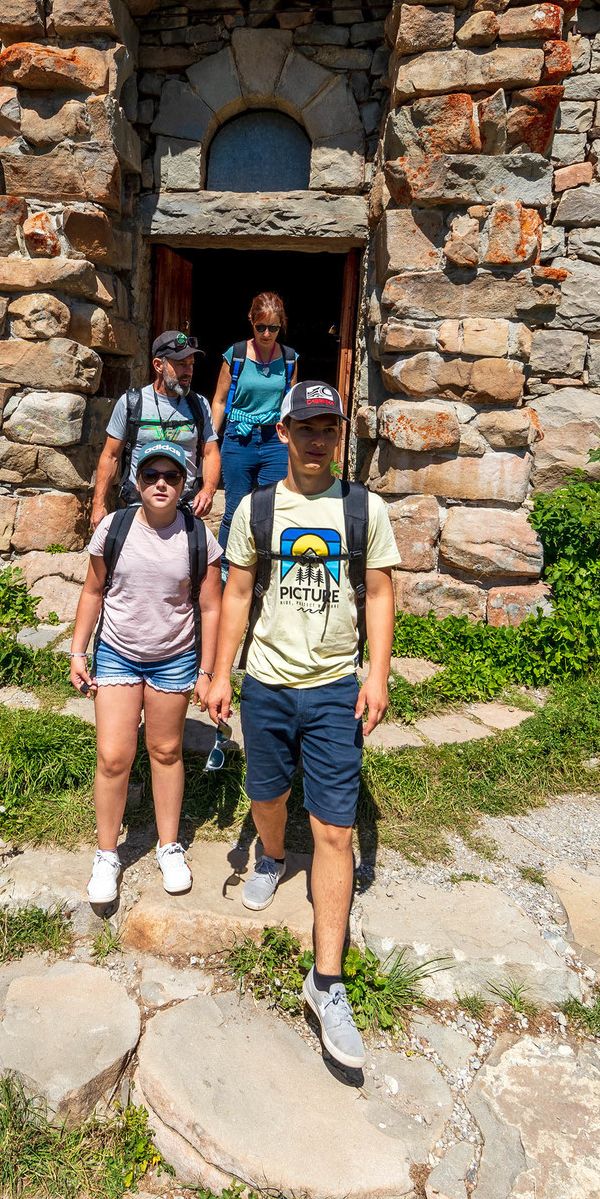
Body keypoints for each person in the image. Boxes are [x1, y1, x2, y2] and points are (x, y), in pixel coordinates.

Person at [205, 382, 399, 1072]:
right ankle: (271, 853)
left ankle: (327, 982)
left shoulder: (361, 508)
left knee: (336, 830)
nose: (317, 438)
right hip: (266, 681)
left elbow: (378, 591)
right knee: (266, 796)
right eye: (305, 425)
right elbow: (233, 592)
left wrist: (377, 673)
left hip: (333, 687)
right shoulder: (255, 509)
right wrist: (221, 670)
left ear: (339, 434)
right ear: (282, 430)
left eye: (329, 426)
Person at [70, 437, 223, 909]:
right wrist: (78, 652)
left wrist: (208, 672)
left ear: (185, 484)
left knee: (166, 750)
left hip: (174, 656)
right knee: (114, 756)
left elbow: (212, 606)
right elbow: (94, 591)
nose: (161, 484)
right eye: (151, 476)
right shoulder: (114, 528)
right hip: (117, 653)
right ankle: (107, 853)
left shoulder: (199, 538)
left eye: (171, 476)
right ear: (137, 482)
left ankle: (169, 845)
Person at [90, 330, 221, 528]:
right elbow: (111, 456)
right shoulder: (131, 403)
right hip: (138, 507)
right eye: (181, 364)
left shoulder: (199, 405)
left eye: (191, 364)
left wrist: (208, 490)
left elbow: (210, 453)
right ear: (159, 365)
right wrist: (98, 504)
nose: (189, 371)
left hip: (184, 508)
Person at [211, 292, 296, 558]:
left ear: (281, 325)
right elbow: (220, 401)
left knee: (270, 509)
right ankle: (225, 569)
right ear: (251, 321)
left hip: (274, 440)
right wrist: (211, 441)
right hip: (239, 437)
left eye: (273, 328)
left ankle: (263, 568)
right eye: (261, 327)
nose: (267, 334)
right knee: (235, 509)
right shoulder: (235, 355)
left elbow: (290, 405)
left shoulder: (290, 359)